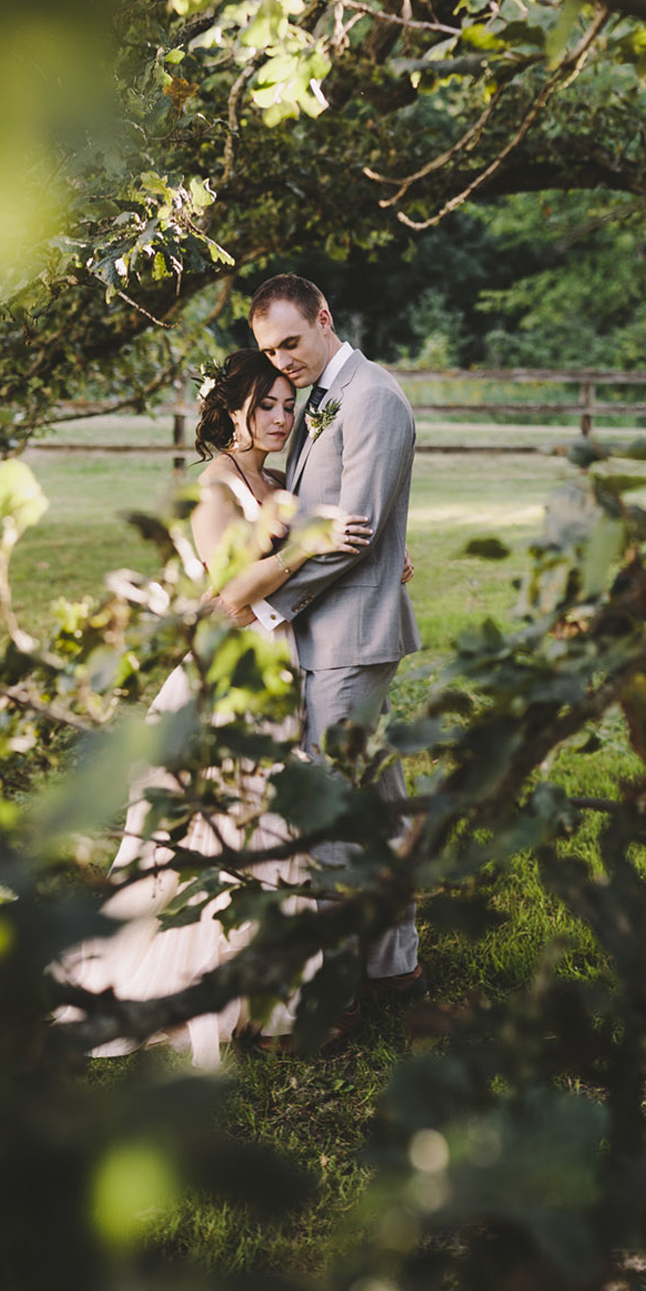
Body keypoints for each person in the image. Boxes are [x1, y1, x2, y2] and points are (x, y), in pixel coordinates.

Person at [54, 349, 371, 1067]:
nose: (282, 418)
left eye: (289, 406)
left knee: (270, 820)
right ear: (231, 411)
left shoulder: (276, 478)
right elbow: (228, 599)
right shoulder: (216, 488)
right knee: (240, 822)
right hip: (230, 675)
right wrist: (306, 547)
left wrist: (369, 556)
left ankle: (270, 991)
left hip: (278, 665)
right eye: (267, 406)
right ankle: (254, 1003)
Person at [246, 272, 424, 1000]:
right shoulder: (324, 398)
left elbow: (353, 532)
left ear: (324, 318)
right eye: (270, 349)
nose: (282, 359)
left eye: (291, 341)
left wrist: (263, 605)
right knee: (377, 808)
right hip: (337, 631)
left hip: (349, 634)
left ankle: (336, 985)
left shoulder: (371, 396)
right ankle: (394, 967)